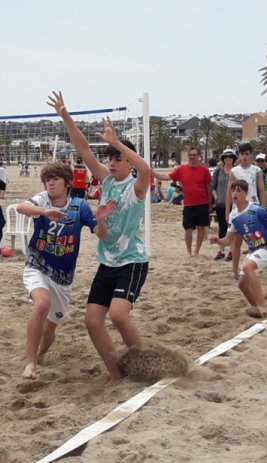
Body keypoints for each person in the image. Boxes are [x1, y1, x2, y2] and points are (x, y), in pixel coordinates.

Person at [49, 91, 151, 381]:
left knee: (118, 315)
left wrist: (117, 142)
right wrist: (66, 116)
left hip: (132, 261)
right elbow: (84, 150)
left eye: (118, 158)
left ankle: (145, 363)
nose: (113, 162)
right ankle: (116, 374)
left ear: (128, 162)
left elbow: (145, 168)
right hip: (108, 263)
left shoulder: (136, 186)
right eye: (111, 158)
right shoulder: (106, 182)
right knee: (92, 321)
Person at [18, 162, 97, 379]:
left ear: (68, 183)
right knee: (41, 305)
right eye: (47, 180)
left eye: (55, 179)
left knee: (50, 328)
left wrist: (104, 218)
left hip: (63, 276)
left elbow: (99, 230)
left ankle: (41, 354)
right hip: (38, 264)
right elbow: (21, 207)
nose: (50, 183)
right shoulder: (43, 199)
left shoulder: (79, 206)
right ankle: (30, 362)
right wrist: (45, 212)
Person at [209, 180, 267, 318]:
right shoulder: (233, 215)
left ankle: (261, 306)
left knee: (247, 267)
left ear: (246, 193)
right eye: (233, 190)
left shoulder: (256, 210)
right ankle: (257, 308)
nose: (235, 193)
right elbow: (229, 240)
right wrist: (218, 241)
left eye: (239, 190)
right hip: (254, 249)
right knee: (242, 285)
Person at [166, 147, 213, 257]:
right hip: (188, 204)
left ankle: (197, 251)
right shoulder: (182, 169)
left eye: (194, 155)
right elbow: (168, 177)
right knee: (188, 229)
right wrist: (151, 173)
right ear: (188, 156)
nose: (192, 157)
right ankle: (189, 252)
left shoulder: (204, 170)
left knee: (201, 228)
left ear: (198, 156)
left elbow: (209, 187)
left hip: (202, 203)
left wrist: (210, 203)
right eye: (190, 155)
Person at [226, 142, 265, 221]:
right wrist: (227, 212)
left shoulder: (257, 170)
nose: (244, 156)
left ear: (251, 154)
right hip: (237, 208)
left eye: (247, 154)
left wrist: (263, 209)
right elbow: (229, 191)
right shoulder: (233, 171)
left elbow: (262, 190)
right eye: (242, 154)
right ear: (239, 155)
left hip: (253, 206)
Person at [212, 149, 236, 261]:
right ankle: (221, 251)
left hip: (234, 205)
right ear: (223, 159)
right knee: (222, 227)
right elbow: (213, 186)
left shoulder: (236, 171)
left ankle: (231, 251)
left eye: (230, 157)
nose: (228, 159)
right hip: (220, 203)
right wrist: (216, 198)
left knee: (233, 228)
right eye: (226, 157)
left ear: (233, 159)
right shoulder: (218, 171)